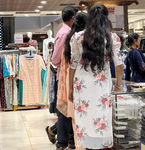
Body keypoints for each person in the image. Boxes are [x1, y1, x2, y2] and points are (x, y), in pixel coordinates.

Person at [68, 4, 123, 149]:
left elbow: (72, 66)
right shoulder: (112, 38)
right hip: (102, 86)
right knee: (101, 117)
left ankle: (88, 146)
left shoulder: (78, 37)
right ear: (106, 18)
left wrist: (70, 90)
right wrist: (118, 84)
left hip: (82, 85)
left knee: (84, 118)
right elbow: (119, 64)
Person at [45, 6, 78, 150]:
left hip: (69, 76)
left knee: (69, 110)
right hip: (64, 77)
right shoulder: (65, 33)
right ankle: (62, 142)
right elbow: (56, 58)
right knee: (65, 110)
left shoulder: (69, 32)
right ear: (73, 18)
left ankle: (64, 138)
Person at [56, 12, 88, 150]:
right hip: (79, 79)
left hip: (69, 78)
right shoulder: (80, 38)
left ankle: (71, 142)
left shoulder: (70, 36)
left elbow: (61, 61)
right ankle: (69, 142)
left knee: (71, 114)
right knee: (77, 115)